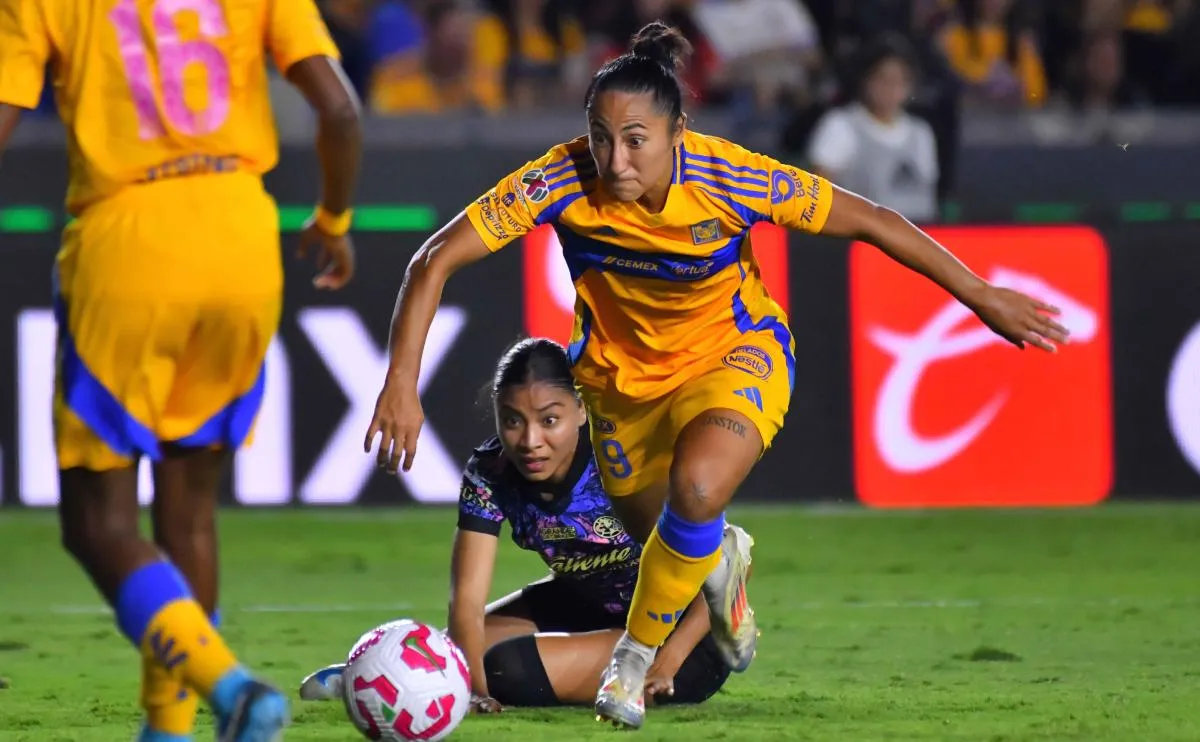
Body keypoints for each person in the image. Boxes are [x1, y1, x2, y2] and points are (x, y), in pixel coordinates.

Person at [363, 20, 1069, 730]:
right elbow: (435, 259)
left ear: (677, 134)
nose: (614, 159)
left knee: (697, 487)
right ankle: (721, 574)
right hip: (618, 385)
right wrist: (400, 383)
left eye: (635, 139)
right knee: (665, 546)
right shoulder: (559, 177)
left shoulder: (730, 176)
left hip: (733, 354)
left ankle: (632, 664)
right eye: (601, 136)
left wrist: (982, 295)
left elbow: (872, 221)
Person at [0, 0, 362, 739]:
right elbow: (341, 112)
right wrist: (332, 220)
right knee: (188, 509)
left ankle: (228, 688)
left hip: (127, 238)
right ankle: (169, 730)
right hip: (242, 237)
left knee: (96, 522)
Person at [298, 338, 731, 710]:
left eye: (549, 420)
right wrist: (471, 694)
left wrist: (665, 661)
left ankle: (414, 686)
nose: (530, 441)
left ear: (581, 410)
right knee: (455, 656)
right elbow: (466, 599)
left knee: (507, 668)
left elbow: (720, 573)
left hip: (680, 638)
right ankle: (383, 677)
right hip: (583, 603)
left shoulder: (623, 460)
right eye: (513, 421)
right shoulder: (490, 472)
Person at [807, 34, 940, 224]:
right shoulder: (841, 125)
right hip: (864, 240)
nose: (890, 88)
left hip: (920, 236)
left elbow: (928, 193)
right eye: (883, 79)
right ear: (865, 80)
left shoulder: (921, 133)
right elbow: (819, 195)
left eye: (899, 81)